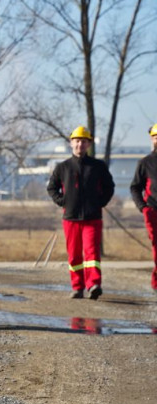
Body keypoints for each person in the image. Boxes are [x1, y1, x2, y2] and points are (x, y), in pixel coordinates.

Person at [47, 126, 115, 299]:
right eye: (77, 141)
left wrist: (100, 203)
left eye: (83, 142)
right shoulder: (62, 167)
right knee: (74, 254)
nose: (80, 145)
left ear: (88, 144)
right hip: (70, 218)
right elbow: (52, 188)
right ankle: (77, 287)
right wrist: (63, 201)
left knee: (92, 253)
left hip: (93, 217)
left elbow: (109, 187)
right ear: (71, 143)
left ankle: (93, 285)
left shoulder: (98, 166)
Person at [129, 123, 157, 293]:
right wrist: (143, 207)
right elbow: (135, 187)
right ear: (152, 139)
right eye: (156, 136)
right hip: (153, 210)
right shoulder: (145, 163)